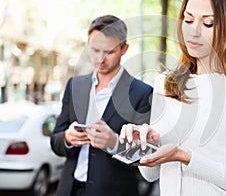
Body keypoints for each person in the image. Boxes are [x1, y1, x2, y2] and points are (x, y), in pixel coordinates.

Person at [120, 0, 226, 196]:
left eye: (208, 23)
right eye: (188, 20)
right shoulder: (165, 83)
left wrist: (187, 157)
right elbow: (151, 174)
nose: (193, 32)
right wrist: (142, 145)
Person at [50, 15, 153, 196]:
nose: (100, 59)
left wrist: (114, 143)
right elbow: (55, 141)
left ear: (124, 49)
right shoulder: (74, 86)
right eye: (95, 50)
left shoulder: (142, 93)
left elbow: (147, 158)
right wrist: (67, 137)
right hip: (69, 189)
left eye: (109, 52)